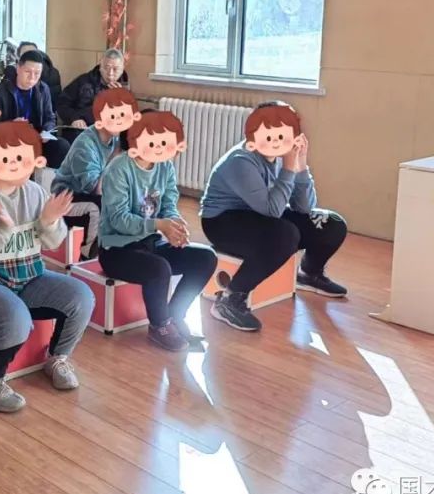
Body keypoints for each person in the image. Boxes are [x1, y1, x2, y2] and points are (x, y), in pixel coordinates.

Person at [0, 121, 93, 413]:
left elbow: (52, 241)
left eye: (21, 157)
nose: (14, 164)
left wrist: (49, 221)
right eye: (5, 158)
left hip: (25, 276)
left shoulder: (35, 192)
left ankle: (57, 358)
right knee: (16, 318)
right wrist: (0, 229)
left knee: (81, 296)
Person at [200, 101, 348, 332]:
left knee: (331, 223)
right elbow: (272, 211)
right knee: (286, 235)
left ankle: (309, 274)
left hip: (260, 215)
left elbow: (304, 208)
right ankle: (230, 299)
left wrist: (301, 164)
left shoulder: (282, 156)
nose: (277, 141)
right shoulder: (241, 161)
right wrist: (289, 168)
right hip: (222, 222)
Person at [98, 111, 217, 352]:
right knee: (159, 268)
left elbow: (169, 203)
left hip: (150, 243)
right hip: (117, 250)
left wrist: (175, 223)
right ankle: (159, 325)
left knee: (205, 258)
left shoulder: (165, 166)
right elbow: (119, 220)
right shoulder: (119, 169)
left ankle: (175, 315)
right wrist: (159, 225)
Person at [52, 88, 143, 260]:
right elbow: (97, 191)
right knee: (103, 206)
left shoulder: (116, 139)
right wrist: (116, 157)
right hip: (67, 199)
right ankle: (88, 256)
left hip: (93, 196)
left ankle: (126, 250)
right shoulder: (86, 145)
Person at [0, 50, 70, 168]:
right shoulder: (2, 91)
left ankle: (52, 179)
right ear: (18, 68)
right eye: (27, 72)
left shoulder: (43, 89)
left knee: (62, 146)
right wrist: (11, 125)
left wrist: (46, 131)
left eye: (37, 73)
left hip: (37, 139)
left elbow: (50, 117)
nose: (32, 77)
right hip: (12, 141)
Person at [56, 48, 130, 133]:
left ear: (122, 69)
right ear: (100, 66)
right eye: (107, 68)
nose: (110, 73)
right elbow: (62, 103)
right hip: (80, 129)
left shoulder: (124, 89)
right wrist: (74, 118)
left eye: (115, 69)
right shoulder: (84, 81)